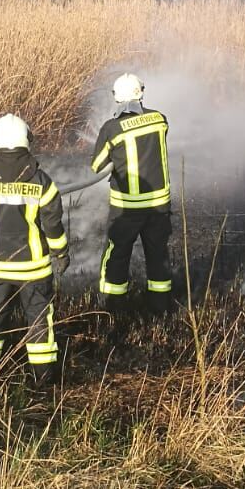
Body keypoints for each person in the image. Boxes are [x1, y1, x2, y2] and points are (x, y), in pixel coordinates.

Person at [0, 113, 69, 386]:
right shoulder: (42, 180)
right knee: (40, 320)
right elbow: (53, 226)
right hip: (35, 268)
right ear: (25, 141)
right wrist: (61, 254)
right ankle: (43, 381)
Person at [90, 73, 173, 316]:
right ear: (141, 93)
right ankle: (160, 308)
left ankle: (113, 310)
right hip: (159, 205)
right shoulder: (160, 119)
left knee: (117, 255)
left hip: (127, 208)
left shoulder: (111, 128)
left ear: (116, 97)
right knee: (158, 254)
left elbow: (96, 165)